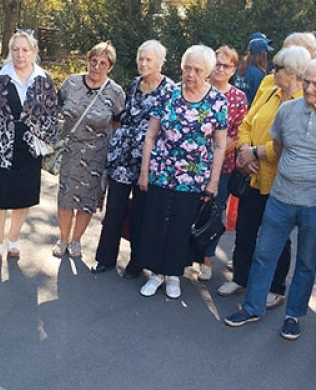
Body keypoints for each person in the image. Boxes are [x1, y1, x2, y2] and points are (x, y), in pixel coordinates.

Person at [225, 57, 316, 339]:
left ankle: (293, 316)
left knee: (307, 261)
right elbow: (278, 145)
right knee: (264, 254)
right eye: (306, 81)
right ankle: (252, 307)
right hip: (281, 197)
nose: (309, 88)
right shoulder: (287, 111)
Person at [217, 46, 310, 306]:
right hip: (252, 176)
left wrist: (256, 153)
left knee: (277, 236)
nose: (273, 71)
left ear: (292, 73)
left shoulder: (303, 103)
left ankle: (276, 287)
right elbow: (247, 122)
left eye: (278, 68)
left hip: (279, 181)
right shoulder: (270, 92)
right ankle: (241, 278)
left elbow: (292, 142)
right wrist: (245, 150)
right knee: (246, 230)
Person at [136, 45, 227, 299]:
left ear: (207, 72)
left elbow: (220, 145)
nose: (190, 74)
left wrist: (214, 181)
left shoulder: (217, 101)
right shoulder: (168, 94)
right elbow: (150, 135)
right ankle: (155, 273)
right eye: (187, 68)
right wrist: (145, 172)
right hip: (161, 172)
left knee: (180, 226)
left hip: (194, 178)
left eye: (197, 70)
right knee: (155, 223)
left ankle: (174, 274)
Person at [92, 40, 171, 276]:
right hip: (123, 155)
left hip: (147, 159)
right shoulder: (134, 83)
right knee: (114, 207)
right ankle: (105, 258)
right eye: (140, 58)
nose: (143, 63)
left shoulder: (169, 90)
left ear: (159, 62)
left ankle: (137, 262)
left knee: (141, 211)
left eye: (148, 59)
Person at [0, 31, 59, 261]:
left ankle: (13, 239)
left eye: (25, 50)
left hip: (30, 144)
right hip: (2, 142)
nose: (20, 54)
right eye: (15, 49)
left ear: (33, 52)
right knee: (0, 193)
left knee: (24, 194)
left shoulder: (43, 78)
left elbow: (52, 112)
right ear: (10, 51)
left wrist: (43, 137)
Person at [53, 42, 125, 258]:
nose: (96, 66)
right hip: (71, 149)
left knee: (87, 200)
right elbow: (56, 107)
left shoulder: (115, 92)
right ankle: (63, 238)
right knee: (66, 197)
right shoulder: (71, 83)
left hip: (97, 153)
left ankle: (76, 240)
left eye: (103, 63)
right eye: (93, 61)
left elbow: (118, 122)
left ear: (110, 67)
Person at [198, 45, 247, 280]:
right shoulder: (198, 89)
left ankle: (206, 258)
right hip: (192, 165)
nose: (219, 69)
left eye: (225, 65)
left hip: (224, 167)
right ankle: (185, 254)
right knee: (189, 210)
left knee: (215, 212)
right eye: (216, 63)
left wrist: (215, 154)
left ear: (233, 69)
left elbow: (238, 133)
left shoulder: (238, 98)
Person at [242, 37, 272, 104]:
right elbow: (261, 99)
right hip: (250, 111)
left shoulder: (239, 69)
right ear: (262, 55)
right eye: (266, 52)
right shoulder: (258, 74)